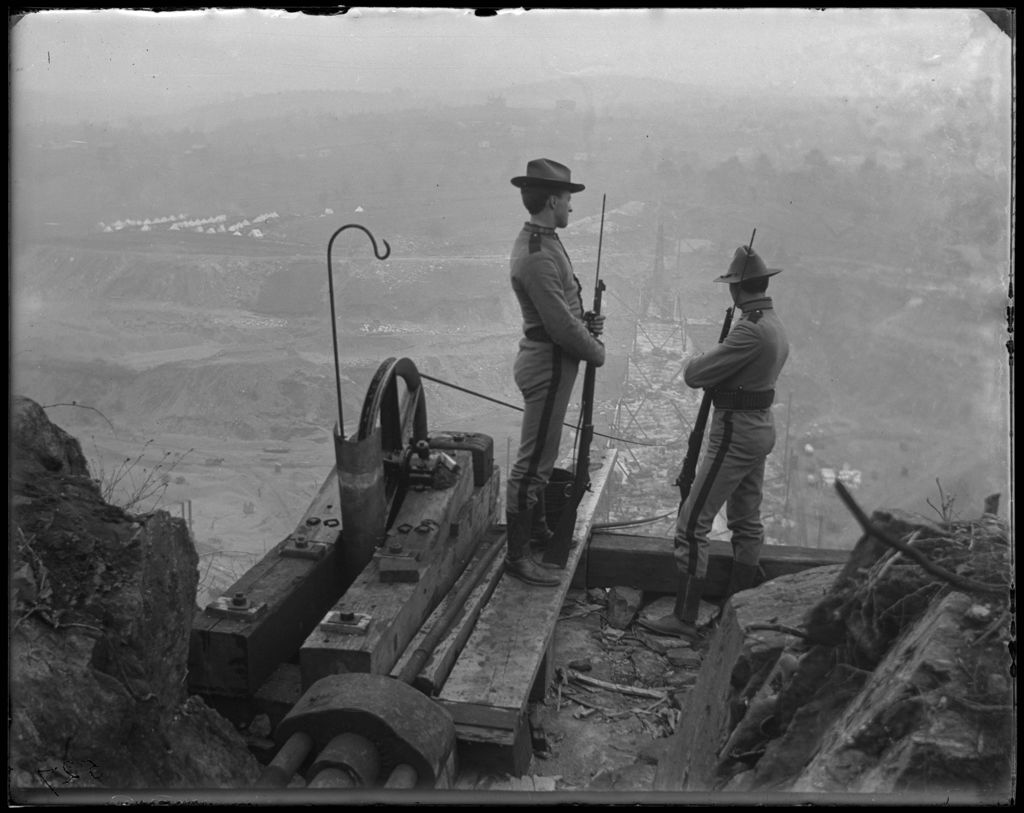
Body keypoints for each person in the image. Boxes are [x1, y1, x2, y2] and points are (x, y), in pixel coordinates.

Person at [641, 245, 789, 638]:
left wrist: (708, 356)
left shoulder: (749, 329)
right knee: (746, 520)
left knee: (692, 523)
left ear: (736, 288)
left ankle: (684, 617)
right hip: (759, 428)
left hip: (734, 433)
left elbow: (695, 374)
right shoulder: (772, 323)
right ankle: (737, 609)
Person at [505, 158, 606, 586]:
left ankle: (538, 531)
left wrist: (585, 319)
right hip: (547, 365)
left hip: (554, 361)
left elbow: (563, 310)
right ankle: (518, 557)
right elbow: (560, 326)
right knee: (532, 465)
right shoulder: (537, 255)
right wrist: (595, 350)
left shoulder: (544, 242)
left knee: (544, 457)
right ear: (551, 201)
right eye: (566, 199)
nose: (570, 206)